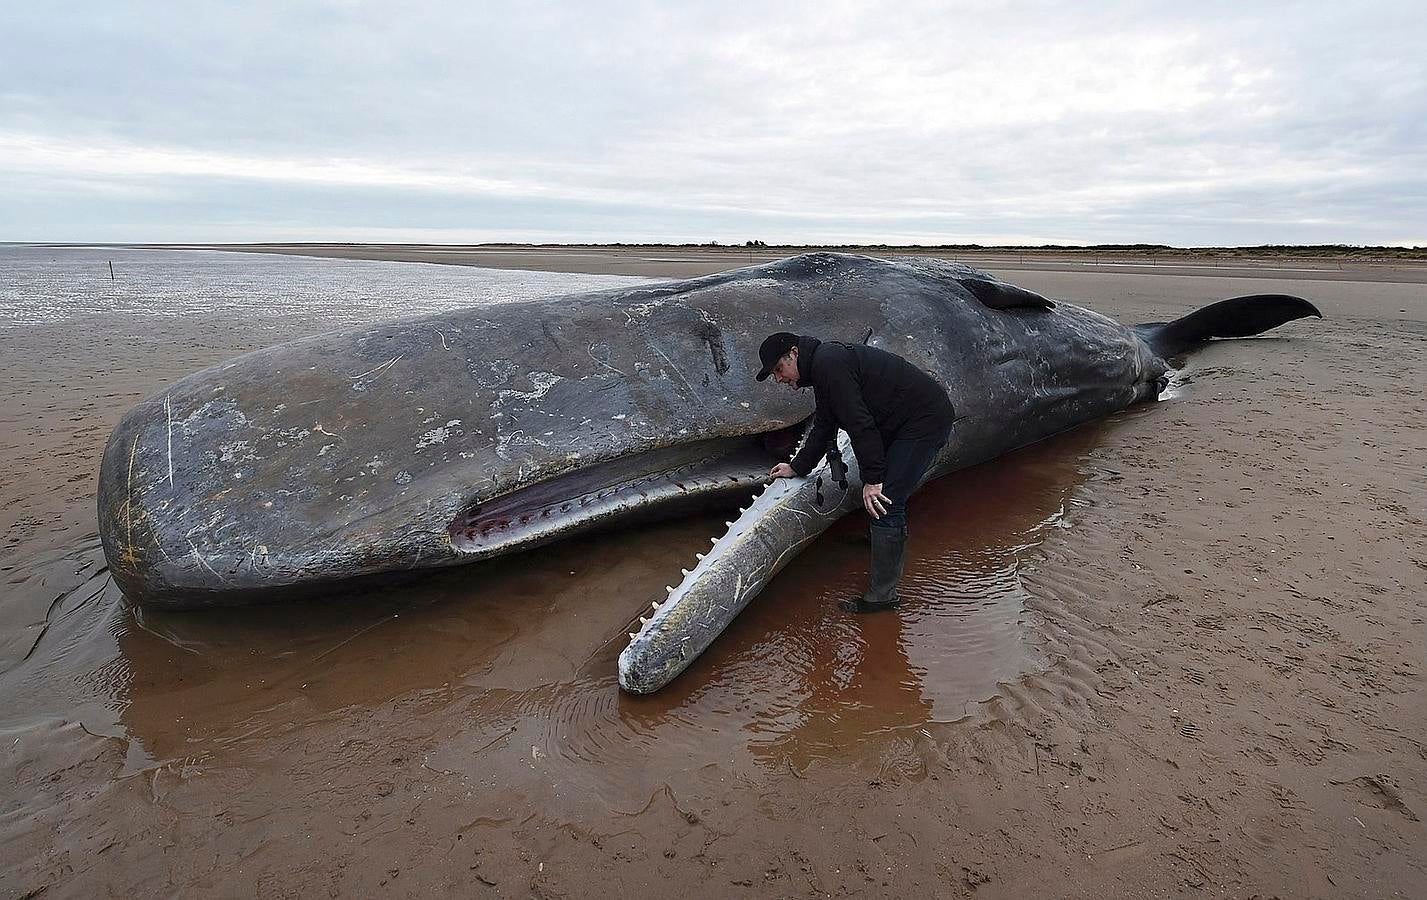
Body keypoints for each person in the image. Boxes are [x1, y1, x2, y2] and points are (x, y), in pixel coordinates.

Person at [756, 332, 954, 613]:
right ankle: (879, 538)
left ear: (795, 353)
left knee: (886, 500)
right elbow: (826, 423)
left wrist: (873, 479)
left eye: (779, 369)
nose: (779, 378)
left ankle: (883, 598)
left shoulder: (829, 365)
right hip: (898, 420)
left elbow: (860, 424)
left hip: (923, 421)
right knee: (876, 487)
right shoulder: (824, 366)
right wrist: (798, 466)